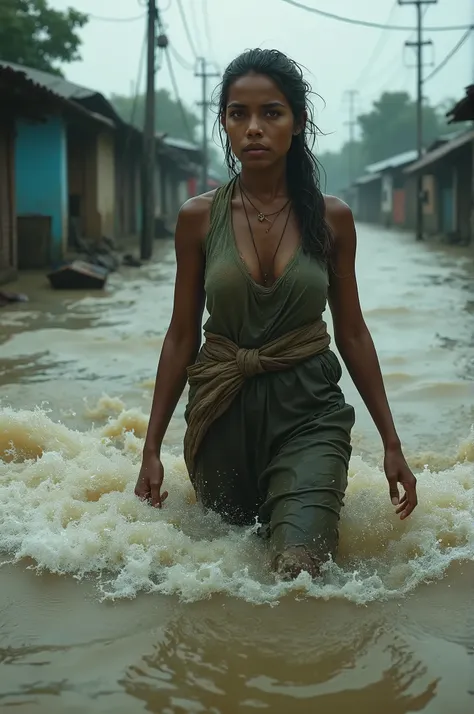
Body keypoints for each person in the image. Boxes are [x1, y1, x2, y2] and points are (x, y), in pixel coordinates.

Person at [135, 48, 418, 580]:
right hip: (222, 413)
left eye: (272, 113)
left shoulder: (333, 219)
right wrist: (151, 447)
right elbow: (179, 338)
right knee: (227, 569)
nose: (254, 129)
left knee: (299, 569)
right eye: (238, 114)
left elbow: (352, 332)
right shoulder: (198, 219)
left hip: (310, 410)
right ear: (224, 124)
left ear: (298, 123)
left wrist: (391, 442)